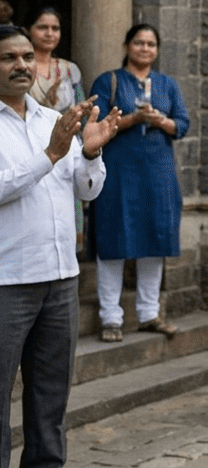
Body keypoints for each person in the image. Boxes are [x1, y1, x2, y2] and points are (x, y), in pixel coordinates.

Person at [0, 25, 118, 468]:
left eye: (28, 57)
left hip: (60, 278)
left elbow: (86, 192)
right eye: (9, 58)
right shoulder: (50, 135)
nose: (22, 66)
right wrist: (49, 155)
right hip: (7, 279)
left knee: (51, 395)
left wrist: (89, 154)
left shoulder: (55, 121)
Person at [89, 23, 190, 342]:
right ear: (126, 45)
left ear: (157, 50)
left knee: (154, 240)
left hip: (157, 173)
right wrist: (134, 119)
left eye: (150, 44)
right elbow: (97, 123)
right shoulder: (110, 81)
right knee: (113, 239)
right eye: (139, 43)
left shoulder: (167, 84)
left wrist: (161, 120)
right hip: (119, 171)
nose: (145, 49)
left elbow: (183, 124)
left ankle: (149, 314)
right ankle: (110, 318)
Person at [26, 8, 83, 111]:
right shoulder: (20, 67)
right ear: (28, 30)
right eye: (42, 28)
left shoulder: (70, 69)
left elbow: (82, 109)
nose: (49, 34)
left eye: (55, 28)